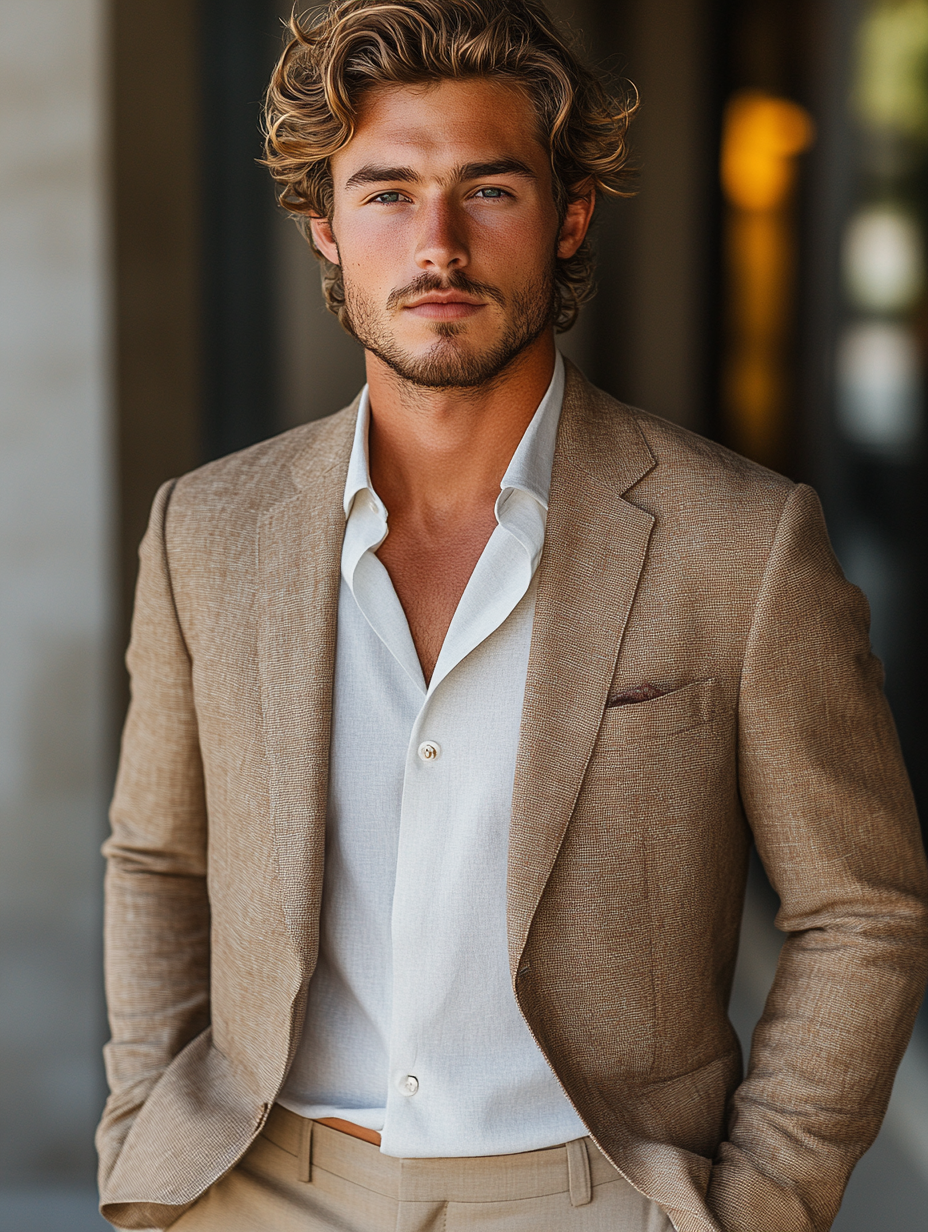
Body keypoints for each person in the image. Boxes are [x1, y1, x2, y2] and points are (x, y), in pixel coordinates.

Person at [96, 1, 928, 1229]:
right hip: (263, 1184)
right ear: (324, 227)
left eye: (486, 190)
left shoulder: (743, 544)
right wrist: (144, 1139)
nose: (436, 243)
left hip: (592, 1193)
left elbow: (860, 905)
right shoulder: (205, 531)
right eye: (386, 193)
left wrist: (760, 1201)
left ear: (568, 215)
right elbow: (158, 858)